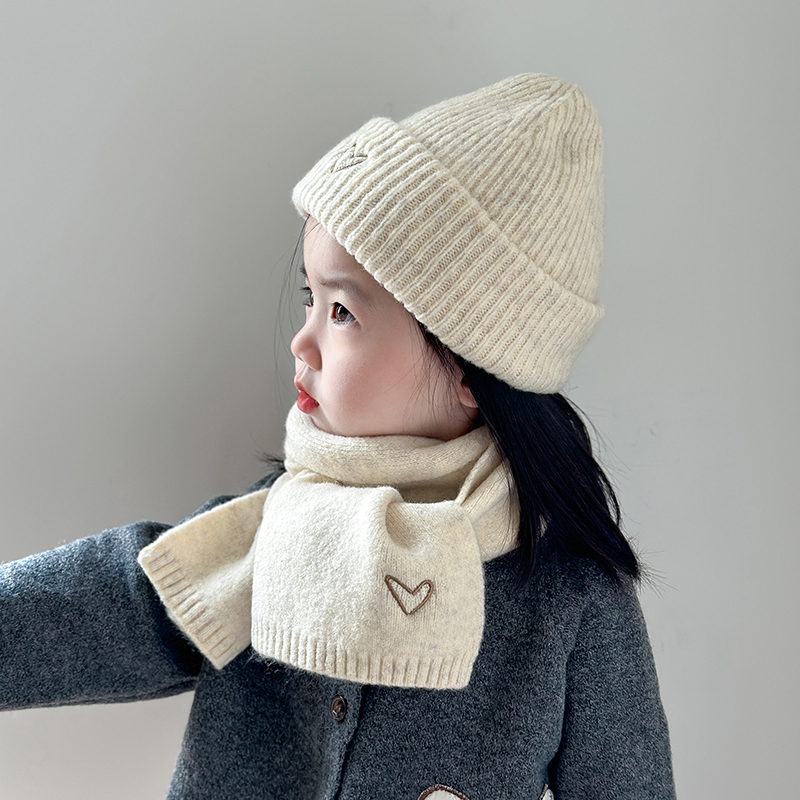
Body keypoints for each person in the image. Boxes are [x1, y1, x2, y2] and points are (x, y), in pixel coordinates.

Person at [0, 74, 676, 800]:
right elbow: (117, 604)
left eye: (343, 312)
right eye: (309, 298)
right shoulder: (275, 528)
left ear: (473, 366)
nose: (303, 342)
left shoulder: (571, 600)